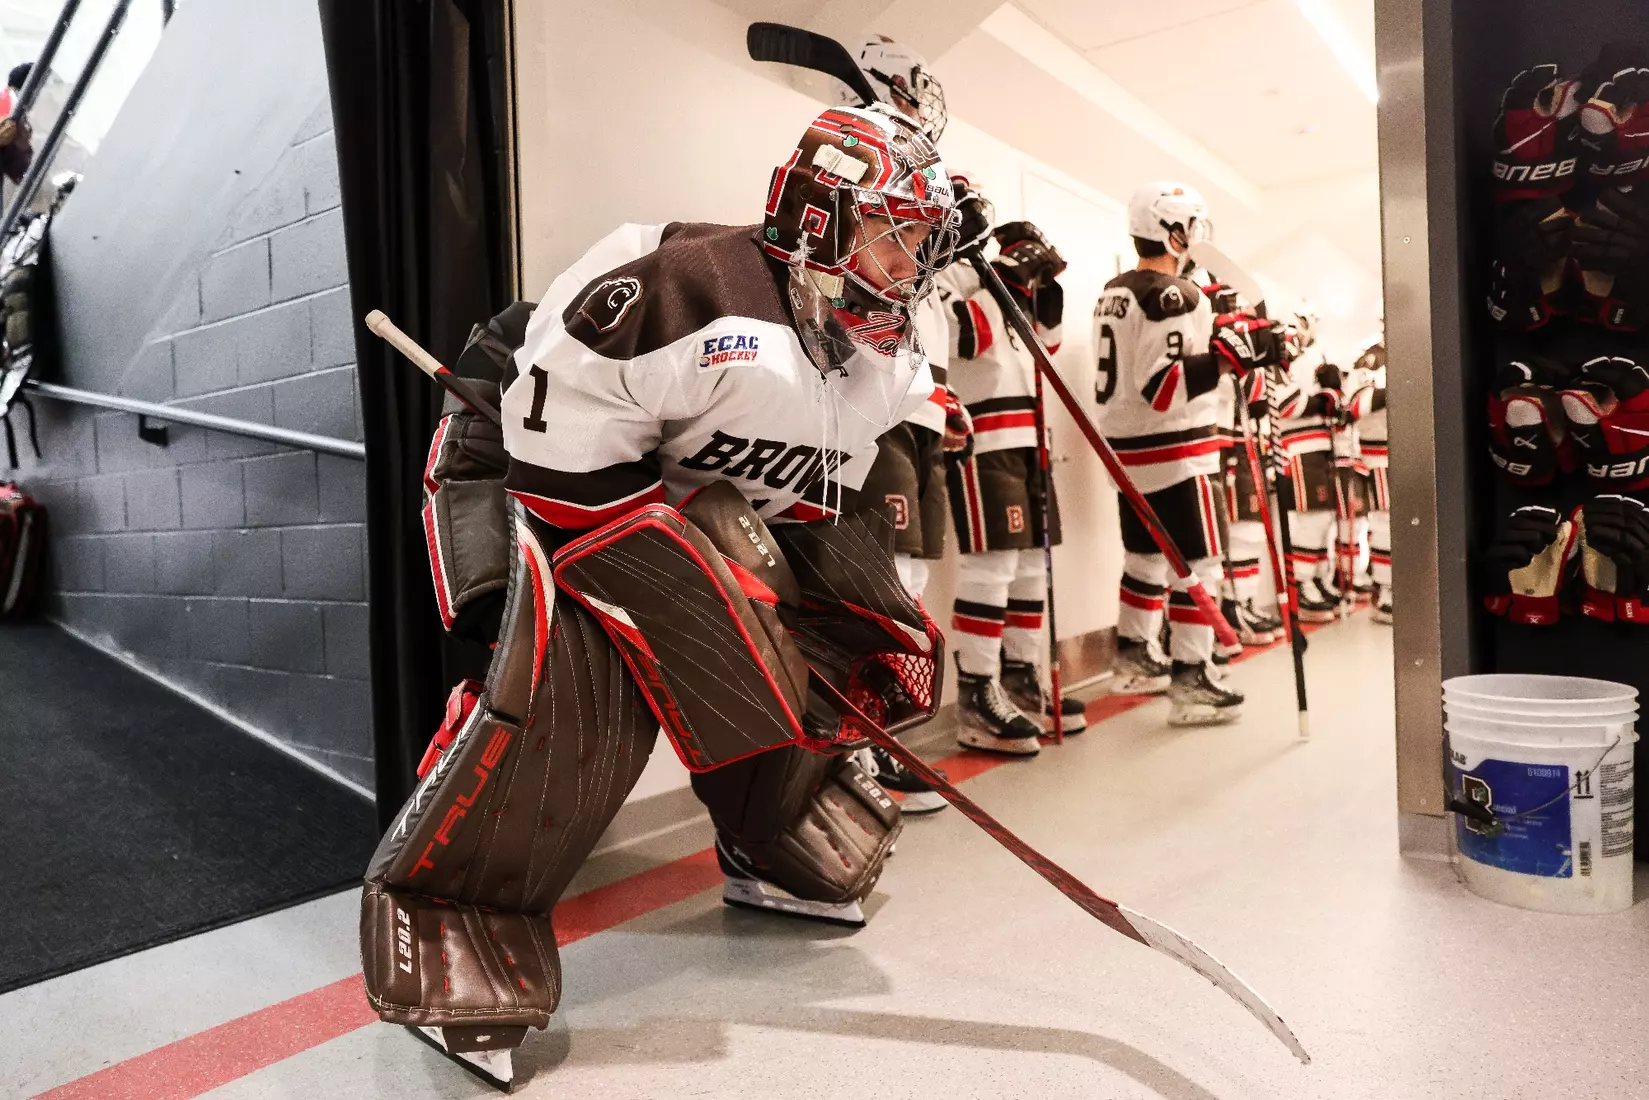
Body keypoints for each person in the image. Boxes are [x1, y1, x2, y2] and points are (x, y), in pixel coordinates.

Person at [830, 34, 973, 810]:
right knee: (883, 581)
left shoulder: (918, 181)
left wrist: (937, 395)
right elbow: (850, 290)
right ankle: (856, 748)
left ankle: (878, 741)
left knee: (910, 580)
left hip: (912, 400)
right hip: (871, 401)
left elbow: (912, 297)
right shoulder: (854, 163)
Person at [1094, 182, 1280, 725]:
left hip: (1127, 454)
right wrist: (1228, 359)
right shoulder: (1174, 294)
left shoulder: (1117, 289)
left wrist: (1224, 337)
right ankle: (1192, 678)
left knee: (1146, 559)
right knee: (1201, 564)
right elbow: (1164, 387)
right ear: (1175, 230)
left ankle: (1133, 655)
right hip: (1176, 451)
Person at [943, 219, 1087, 752]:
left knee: (1031, 563)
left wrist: (1043, 290)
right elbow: (963, 338)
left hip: (1031, 433)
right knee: (993, 564)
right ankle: (977, 694)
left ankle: (1023, 678)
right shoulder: (945, 273)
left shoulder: (985, 274)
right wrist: (1002, 278)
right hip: (983, 433)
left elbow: (1042, 348)